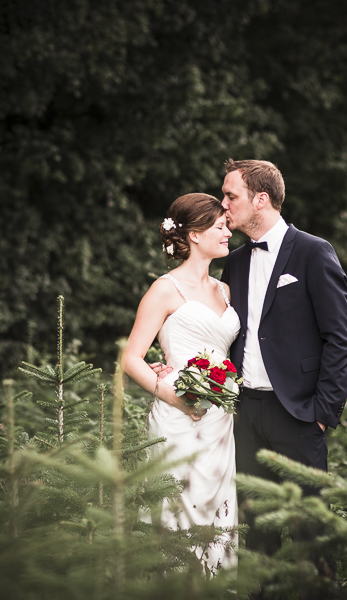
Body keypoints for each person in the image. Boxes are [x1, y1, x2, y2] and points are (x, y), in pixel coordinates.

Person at [218, 158, 347, 563]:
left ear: (260, 199)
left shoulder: (314, 252)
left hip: (299, 414)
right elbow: (224, 333)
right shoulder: (235, 261)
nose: (223, 204)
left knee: (310, 533)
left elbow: (339, 338)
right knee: (257, 535)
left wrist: (323, 412)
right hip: (246, 415)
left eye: (231, 195)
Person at [122, 192, 240, 574]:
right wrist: (173, 396)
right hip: (178, 414)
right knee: (177, 508)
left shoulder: (224, 290)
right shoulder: (164, 289)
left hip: (220, 420)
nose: (228, 232)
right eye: (220, 226)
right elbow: (131, 358)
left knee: (217, 512)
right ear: (194, 235)